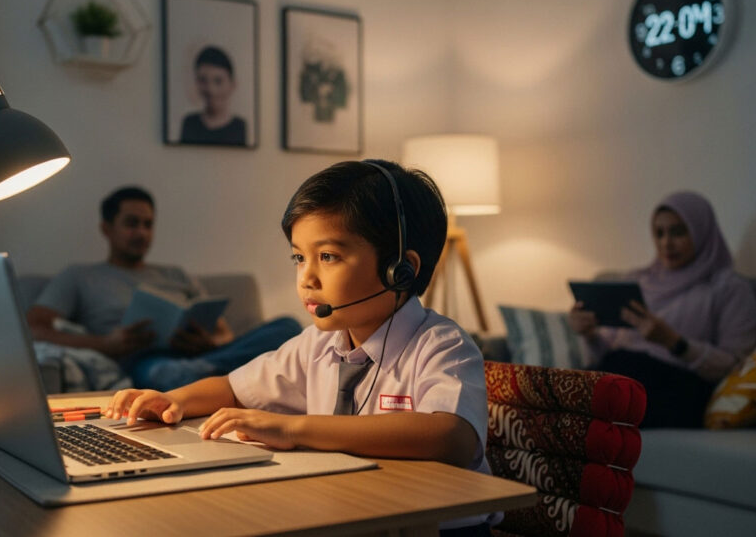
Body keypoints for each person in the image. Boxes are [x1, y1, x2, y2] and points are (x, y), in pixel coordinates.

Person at [105, 160, 496, 535]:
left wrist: (294, 427)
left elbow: (451, 437)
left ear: (401, 270)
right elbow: (234, 389)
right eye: (298, 257)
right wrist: (171, 400)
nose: (306, 277)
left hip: (435, 529)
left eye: (327, 256)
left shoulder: (442, 345)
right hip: (357, 518)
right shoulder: (318, 344)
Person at [26, 186, 301, 391]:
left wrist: (209, 342)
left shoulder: (175, 274)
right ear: (106, 229)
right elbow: (34, 328)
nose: (142, 233)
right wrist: (105, 344)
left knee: (288, 326)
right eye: (132, 223)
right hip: (146, 361)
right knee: (165, 376)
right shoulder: (80, 276)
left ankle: (209, 376)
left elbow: (223, 331)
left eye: (148, 224)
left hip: (203, 355)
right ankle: (235, 375)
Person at [569, 191, 756, 428]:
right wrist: (589, 335)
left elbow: (736, 367)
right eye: (659, 233)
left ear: (701, 232)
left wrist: (673, 342)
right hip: (622, 373)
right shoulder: (638, 281)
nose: (666, 243)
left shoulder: (728, 288)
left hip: (682, 387)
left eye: (678, 232)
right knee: (586, 379)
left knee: (613, 374)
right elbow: (604, 352)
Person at [179, 46, 247, 146]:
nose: (211, 89)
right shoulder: (189, 123)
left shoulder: (240, 126)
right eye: (203, 80)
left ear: (233, 84)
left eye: (218, 81)